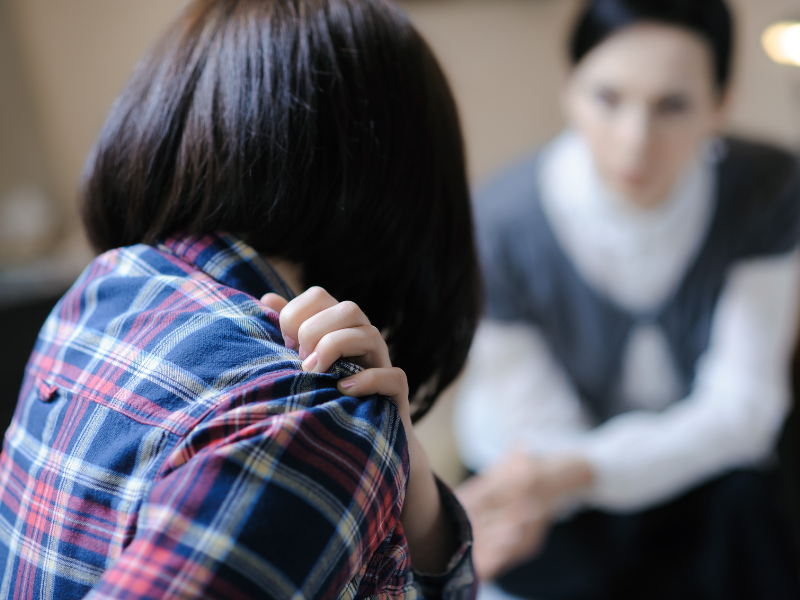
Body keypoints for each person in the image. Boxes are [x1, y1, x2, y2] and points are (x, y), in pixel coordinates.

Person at [0, 0, 482, 598]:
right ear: (400, 193)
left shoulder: (101, 292)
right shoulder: (308, 411)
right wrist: (364, 433)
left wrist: (407, 474)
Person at [454, 0, 800, 598]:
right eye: (608, 99)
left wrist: (588, 470)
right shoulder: (500, 224)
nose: (635, 140)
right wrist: (563, 477)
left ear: (722, 104)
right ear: (569, 90)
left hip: (695, 471)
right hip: (539, 474)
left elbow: (744, 408)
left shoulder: (765, 191)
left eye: (673, 105)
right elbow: (538, 427)